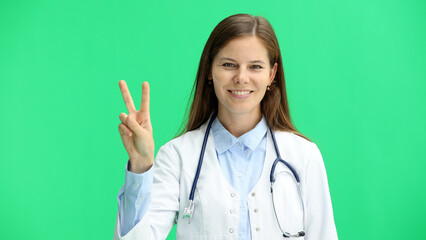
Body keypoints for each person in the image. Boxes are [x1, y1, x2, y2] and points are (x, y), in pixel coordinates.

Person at [113, 13, 338, 240]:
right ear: (210, 70)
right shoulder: (177, 156)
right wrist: (141, 166)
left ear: (272, 74)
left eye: (255, 67)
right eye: (229, 64)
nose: (241, 77)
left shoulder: (304, 156)